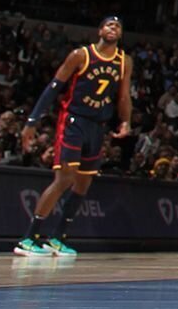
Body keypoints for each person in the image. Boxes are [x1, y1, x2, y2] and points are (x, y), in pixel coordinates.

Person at [14, 15, 132, 257]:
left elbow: (123, 95)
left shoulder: (124, 61)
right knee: (64, 179)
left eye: (118, 26)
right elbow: (53, 87)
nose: (114, 28)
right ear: (100, 30)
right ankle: (29, 238)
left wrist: (126, 120)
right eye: (109, 24)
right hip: (74, 121)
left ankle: (57, 238)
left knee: (83, 183)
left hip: (98, 126)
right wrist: (32, 122)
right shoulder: (81, 55)